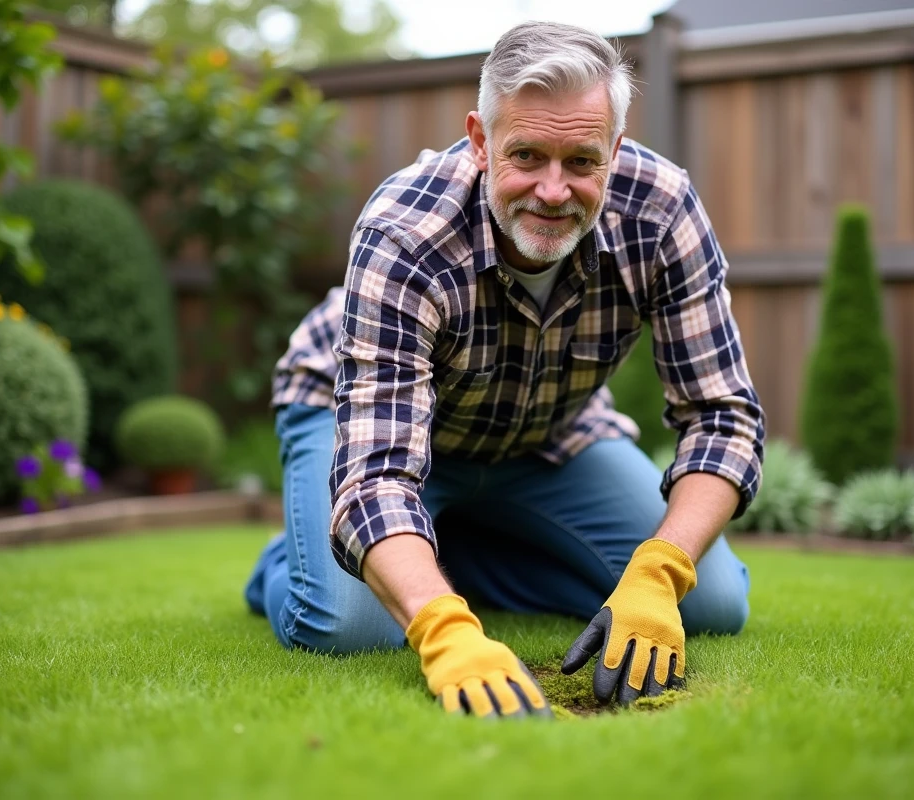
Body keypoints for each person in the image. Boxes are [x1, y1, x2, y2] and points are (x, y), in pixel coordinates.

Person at [244, 20, 766, 719]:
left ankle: (441, 545)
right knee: (345, 627)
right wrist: (444, 627)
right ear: (481, 142)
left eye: (582, 161)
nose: (553, 191)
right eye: (527, 155)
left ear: (614, 148)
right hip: (370, 428)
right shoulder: (405, 231)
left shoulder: (663, 211)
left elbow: (722, 417)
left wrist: (659, 571)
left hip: (546, 434)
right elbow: (376, 475)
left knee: (711, 604)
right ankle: (300, 559)